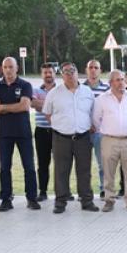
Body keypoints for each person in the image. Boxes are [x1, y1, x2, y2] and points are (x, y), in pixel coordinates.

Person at [42, 62, 99, 214]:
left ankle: (86, 201)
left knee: (84, 171)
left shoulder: (87, 91)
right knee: (61, 171)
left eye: (72, 70)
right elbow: (47, 113)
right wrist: (59, 125)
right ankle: (60, 202)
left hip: (83, 137)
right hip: (61, 138)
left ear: (77, 72)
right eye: (66, 71)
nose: (69, 73)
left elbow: (92, 112)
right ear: (62, 75)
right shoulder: (54, 93)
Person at [0, 57, 40, 211]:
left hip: (23, 132)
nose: (8, 70)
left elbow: (25, 107)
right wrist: (14, 105)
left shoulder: (25, 85)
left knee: (29, 167)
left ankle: (32, 198)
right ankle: (6, 199)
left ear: (17, 68)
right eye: (5, 67)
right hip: (5, 134)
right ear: (2, 69)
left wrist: (4, 107)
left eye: (11, 67)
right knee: (5, 168)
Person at [92, 70, 127, 212]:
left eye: (122, 79)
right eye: (117, 80)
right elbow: (96, 119)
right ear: (110, 83)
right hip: (109, 140)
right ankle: (109, 200)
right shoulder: (101, 99)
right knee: (108, 172)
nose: (121, 82)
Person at [31, 63, 56, 201]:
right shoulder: (35, 90)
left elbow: (62, 106)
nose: (48, 75)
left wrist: (43, 103)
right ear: (42, 75)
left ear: (54, 73)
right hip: (41, 131)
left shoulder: (61, 90)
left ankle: (63, 192)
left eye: (50, 72)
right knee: (42, 163)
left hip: (58, 131)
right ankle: (43, 191)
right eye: (45, 72)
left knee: (61, 163)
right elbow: (33, 104)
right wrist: (52, 105)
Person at [85, 59, 109, 198]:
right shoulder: (80, 88)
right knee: (84, 165)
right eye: (91, 67)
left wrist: (98, 126)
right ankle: (86, 191)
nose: (93, 70)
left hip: (100, 133)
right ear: (87, 70)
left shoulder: (106, 89)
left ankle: (104, 189)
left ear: (100, 70)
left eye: (96, 67)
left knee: (102, 164)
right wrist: (89, 125)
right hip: (84, 132)